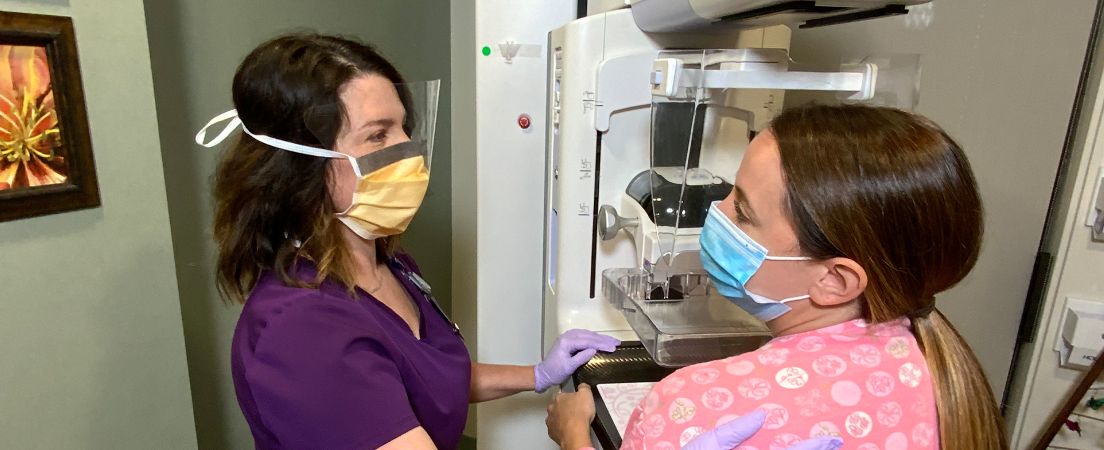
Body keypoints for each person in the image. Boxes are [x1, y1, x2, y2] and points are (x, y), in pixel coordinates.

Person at [196, 33, 620, 450]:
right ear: (301, 166)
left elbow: (423, 379)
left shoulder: (391, 266)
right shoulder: (304, 330)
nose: (409, 150)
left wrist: (537, 374)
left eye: (405, 129)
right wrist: (573, 436)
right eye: (378, 136)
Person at [547, 104, 1006, 450]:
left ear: (836, 281)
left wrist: (572, 435)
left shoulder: (695, 407)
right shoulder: (947, 381)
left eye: (742, 212)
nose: (716, 211)